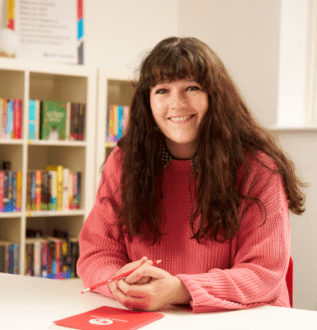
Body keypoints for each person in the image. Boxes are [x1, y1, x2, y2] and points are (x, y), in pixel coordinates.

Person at [77, 37, 306, 313]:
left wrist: (180, 289)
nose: (177, 103)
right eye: (162, 90)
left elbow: (263, 273)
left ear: (215, 96)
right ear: (147, 101)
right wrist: (119, 282)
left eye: (192, 88)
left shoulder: (258, 167)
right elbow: (96, 253)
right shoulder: (124, 161)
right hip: (156, 318)